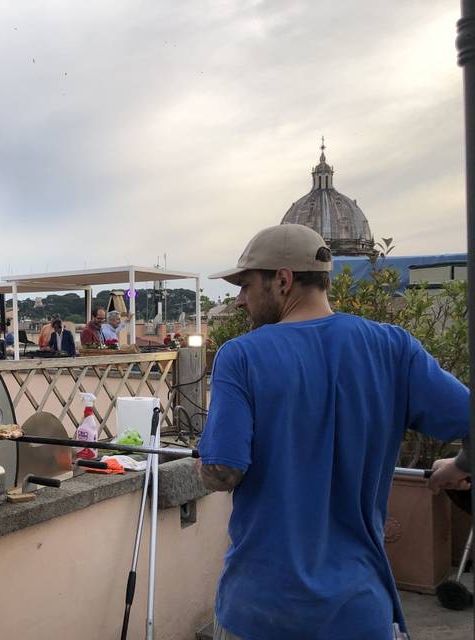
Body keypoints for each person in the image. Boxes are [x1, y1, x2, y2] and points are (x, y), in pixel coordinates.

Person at [197, 224, 469, 640]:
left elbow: (223, 470)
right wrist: (461, 464)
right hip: (360, 611)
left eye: (246, 285)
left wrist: (203, 460)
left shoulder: (241, 355)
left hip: (263, 609)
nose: (239, 301)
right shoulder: (393, 347)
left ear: (283, 280)